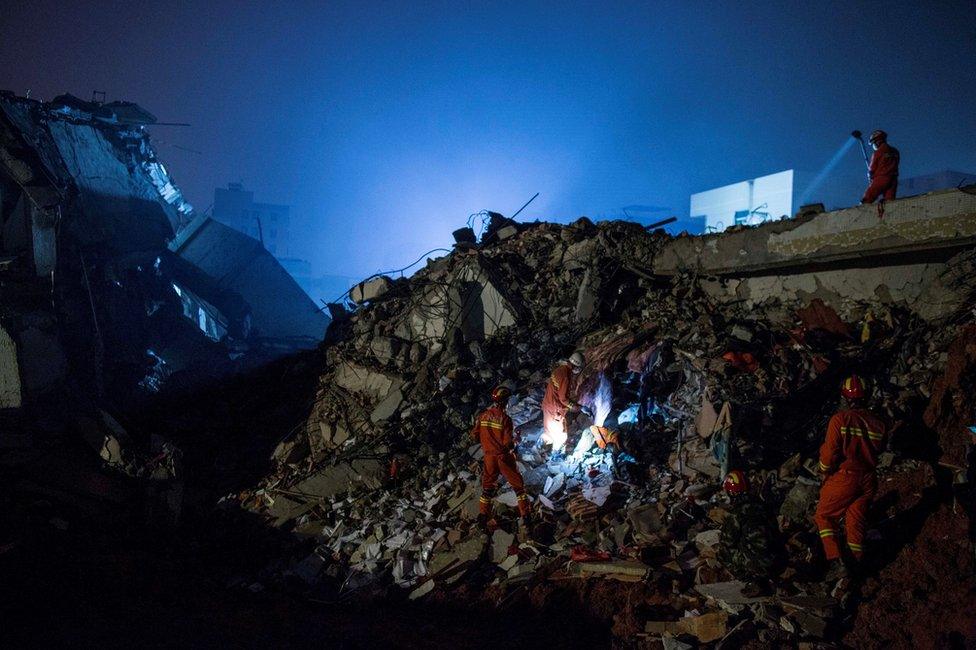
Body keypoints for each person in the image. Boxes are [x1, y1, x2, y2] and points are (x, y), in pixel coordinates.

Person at [814, 374, 889, 581]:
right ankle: (856, 563)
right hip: (868, 479)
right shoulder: (879, 424)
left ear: (845, 398)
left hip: (845, 477)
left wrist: (823, 470)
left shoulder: (840, 420)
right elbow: (880, 450)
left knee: (824, 516)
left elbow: (829, 454)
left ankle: (836, 560)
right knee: (855, 520)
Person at [471, 385, 531, 534]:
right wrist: (515, 439)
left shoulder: (482, 416)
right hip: (503, 457)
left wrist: (488, 440)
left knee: (488, 488)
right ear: (505, 401)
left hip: (489, 458)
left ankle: (482, 518)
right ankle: (527, 518)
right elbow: (507, 443)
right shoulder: (505, 419)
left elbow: (474, 435)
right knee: (518, 487)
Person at [717, 469, 779, 595]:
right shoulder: (763, 506)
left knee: (722, 553)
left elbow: (726, 542)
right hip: (778, 560)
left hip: (759, 563)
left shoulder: (737, 513)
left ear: (731, 493)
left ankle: (753, 580)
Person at [541, 351, 585, 451]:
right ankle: (554, 454)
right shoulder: (565, 376)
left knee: (549, 430)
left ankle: (544, 449)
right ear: (577, 366)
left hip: (549, 404)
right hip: (554, 408)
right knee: (559, 435)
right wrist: (573, 406)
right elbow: (563, 398)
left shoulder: (560, 369)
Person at [861, 130, 900, 204]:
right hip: (893, 180)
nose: (873, 146)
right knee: (889, 202)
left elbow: (872, 168)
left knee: (868, 198)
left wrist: (870, 176)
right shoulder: (895, 151)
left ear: (877, 141)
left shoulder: (878, 152)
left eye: (873, 143)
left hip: (881, 178)